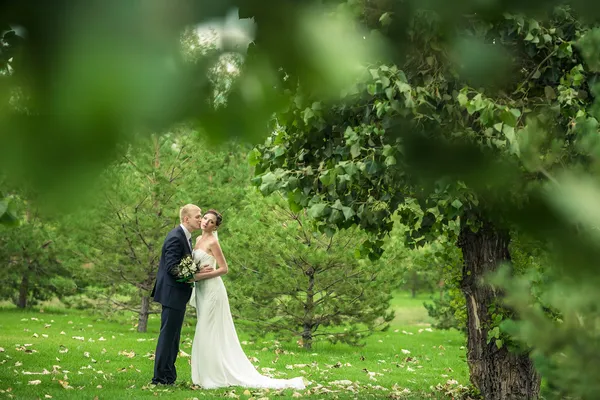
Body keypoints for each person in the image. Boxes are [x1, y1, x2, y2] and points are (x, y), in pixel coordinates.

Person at [189, 209, 306, 389]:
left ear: (215, 226)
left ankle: (213, 377)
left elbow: (224, 269)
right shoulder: (197, 240)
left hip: (212, 290)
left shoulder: (213, 242)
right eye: (205, 218)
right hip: (202, 290)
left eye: (211, 221)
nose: (206, 222)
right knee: (203, 328)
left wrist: (200, 276)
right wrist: (193, 274)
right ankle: (202, 374)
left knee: (208, 329)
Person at [151, 204, 211, 385]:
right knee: (168, 337)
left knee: (173, 338)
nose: (201, 219)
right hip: (172, 293)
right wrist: (195, 275)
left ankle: (168, 376)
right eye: (198, 216)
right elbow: (171, 268)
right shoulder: (175, 237)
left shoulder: (186, 237)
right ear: (186, 219)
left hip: (177, 294)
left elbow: (182, 263)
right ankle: (160, 378)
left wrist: (196, 269)